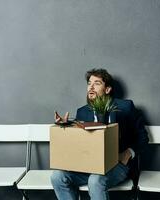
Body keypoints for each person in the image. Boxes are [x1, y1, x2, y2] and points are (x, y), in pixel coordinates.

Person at [51, 68, 148, 200]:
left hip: (117, 165)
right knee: (57, 176)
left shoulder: (125, 107)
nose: (91, 87)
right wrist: (67, 126)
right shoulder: (82, 112)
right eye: (89, 83)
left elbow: (143, 138)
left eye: (97, 83)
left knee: (95, 181)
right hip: (88, 166)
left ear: (107, 89)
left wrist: (128, 153)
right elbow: (79, 142)